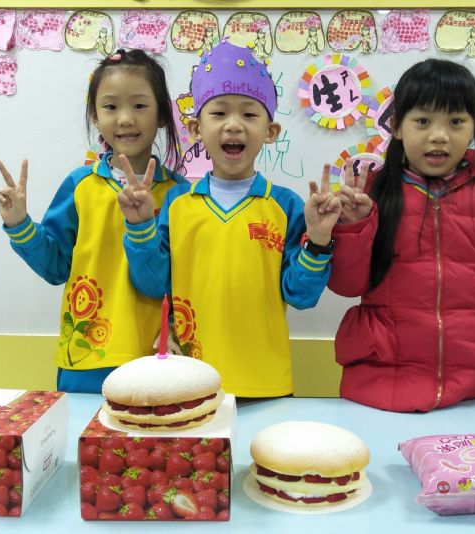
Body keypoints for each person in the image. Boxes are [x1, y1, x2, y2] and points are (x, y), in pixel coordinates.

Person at [329, 59, 475, 413]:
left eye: (456, 121)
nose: (439, 135)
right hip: (379, 384)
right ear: (396, 127)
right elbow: (346, 285)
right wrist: (353, 228)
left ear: (473, 126)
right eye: (423, 121)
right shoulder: (373, 193)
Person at [119, 41, 340, 397]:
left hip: (266, 383)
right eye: (219, 113)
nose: (234, 126)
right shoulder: (177, 203)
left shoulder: (285, 205)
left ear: (271, 132)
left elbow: (300, 295)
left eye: (249, 115)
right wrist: (140, 226)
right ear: (196, 129)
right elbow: (153, 284)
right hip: (191, 380)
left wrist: (317, 240)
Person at [0, 49, 186, 393]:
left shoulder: (181, 194)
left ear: (161, 114)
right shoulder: (80, 185)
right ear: (95, 116)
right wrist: (20, 224)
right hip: (85, 359)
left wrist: (174, 327)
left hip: (157, 356)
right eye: (111, 107)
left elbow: (185, 281)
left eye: (139, 105)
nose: (125, 119)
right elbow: (56, 267)